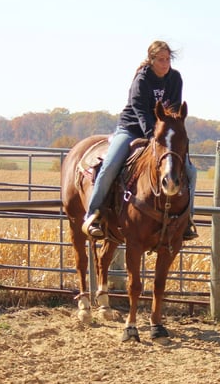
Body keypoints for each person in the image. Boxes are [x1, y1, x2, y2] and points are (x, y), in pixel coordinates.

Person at [82, 40, 199, 241]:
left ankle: (187, 219)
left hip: (161, 135)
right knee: (110, 165)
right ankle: (93, 214)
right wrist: (151, 136)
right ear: (151, 60)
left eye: (167, 59)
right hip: (132, 129)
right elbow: (141, 111)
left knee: (190, 171)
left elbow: (173, 111)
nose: (165, 64)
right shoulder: (142, 79)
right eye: (160, 59)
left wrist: (162, 136)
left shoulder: (175, 79)